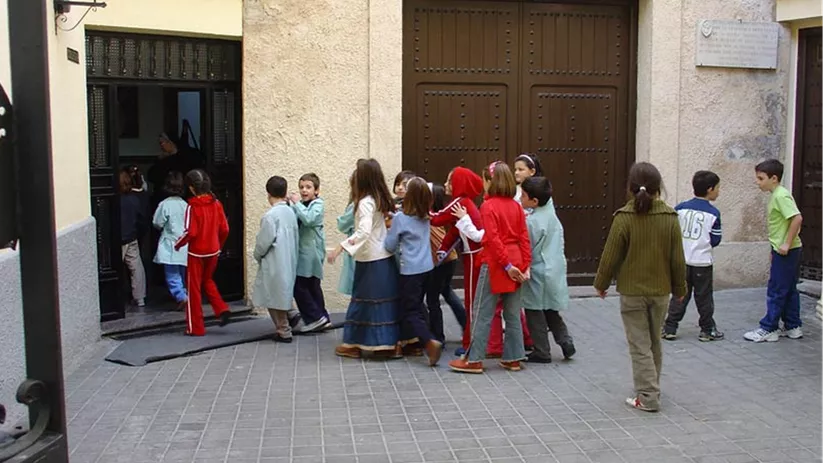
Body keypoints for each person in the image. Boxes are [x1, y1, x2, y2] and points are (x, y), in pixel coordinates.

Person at [593, 162, 687, 412]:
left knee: (639, 344)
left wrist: (601, 284)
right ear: (659, 188)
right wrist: (680, 288)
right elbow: (677, 258)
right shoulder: (669, 218)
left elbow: (610, 256)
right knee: (654, 340)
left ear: (630, 187)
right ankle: (652, 385)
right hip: (661, 291)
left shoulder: (624, 217)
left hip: (632, 292)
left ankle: (647, 396)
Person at [449, 162, 531, 374]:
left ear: (490, 181)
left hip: (496, 263)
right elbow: (524, 237)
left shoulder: (488, 206)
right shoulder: (516, 206)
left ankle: (474, 359)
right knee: (512, 314)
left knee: (482, 311)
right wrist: (524, 265)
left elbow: (492, 240)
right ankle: (513, 357)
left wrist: (506, 264)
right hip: (517, 261)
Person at [328, 159, 403, 359]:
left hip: (370, 259)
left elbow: (363, 231)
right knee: (383, 303)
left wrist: (340, 248)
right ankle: (389, 343)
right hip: (383, 257)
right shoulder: (379, 199)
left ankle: (353, 344)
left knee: (362, 302)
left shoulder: (364, 203)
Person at [744, 159, 804, 343]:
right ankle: (793, 325)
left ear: (774, 178)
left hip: (786, 251)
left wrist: (785, 243)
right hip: (786, 250)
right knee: (788, 288)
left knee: (776, 289)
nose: (758, 182)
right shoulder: (778, 194)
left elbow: (796, 218)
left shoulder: (780, 196)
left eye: (761, 178)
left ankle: (769, 327)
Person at [384, 177, 443, 365]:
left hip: (410, 270)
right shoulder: (425, 215)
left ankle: (429, 342)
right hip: (428, 268)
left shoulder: (401, 219)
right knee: (418, 304)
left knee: (411, 310)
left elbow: (389, 245)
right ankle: (412, 340)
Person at [663, 170, 725, 342]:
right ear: (710, 189)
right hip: (702, 262)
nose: (719, 191)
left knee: (679, 294)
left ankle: (670, 327)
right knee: (703, 296)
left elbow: (671, 231)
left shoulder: (680, 208)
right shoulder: (714, 213)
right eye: (718, 188)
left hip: (682, 261)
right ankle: (707, 330)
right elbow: (715, 239)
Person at [519, 177, 575, 363]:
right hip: (555, 266)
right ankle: (565, 341)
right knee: (551, 309)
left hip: (538, 269)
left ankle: (542, 351)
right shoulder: (550, 213)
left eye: (524, 195)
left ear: (534, 201)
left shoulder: (532, 222)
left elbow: (527, 247)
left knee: (534, 311)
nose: (520, 198)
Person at [430, 167, 485, 355]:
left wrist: (417, 208)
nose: (446, 185)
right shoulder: (466, 203)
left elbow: (436, 219)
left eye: (449, 181)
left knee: (471, 301)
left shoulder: (458, 203)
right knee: (472, 300)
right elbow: (455, 231)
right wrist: (444, 248)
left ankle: (470, 343)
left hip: (473, 257)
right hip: (472, 256)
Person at [174, 169, 231, 336]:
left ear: (191, 188)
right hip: (213, 250)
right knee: (208, 281)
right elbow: (225, 229)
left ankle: (195, 327)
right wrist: (219, 245)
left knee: (194, 290)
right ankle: (221, 308)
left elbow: (190, 232)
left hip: (196, 253)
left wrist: (178, 244)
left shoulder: (192, 206)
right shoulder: (217, 203)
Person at [253, 176, 300, 343]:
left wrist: (257, 254)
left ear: (268, 193)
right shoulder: (290, 212)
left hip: (274, 260)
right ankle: (292, 312)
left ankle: (283, 330)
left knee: (273, 295)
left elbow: (264, 241)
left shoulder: (270, 216)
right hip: (289, 257)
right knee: (283, 290)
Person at [289, 173, 330, 332]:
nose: (304, 190)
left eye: (308, 187)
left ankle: (314, 318)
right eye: (301, 187)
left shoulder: (317, 204)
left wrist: (296, 204)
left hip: (311, 252)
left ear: (316, 190)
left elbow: (309, 219)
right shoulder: (301, 205)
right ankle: (323, 317)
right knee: (312, 285)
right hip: (305, 252)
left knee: (299, 286)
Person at [426, 183, 467, 345]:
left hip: (441, 262)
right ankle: (466, 325)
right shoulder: (438, 215)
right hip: (450, 259)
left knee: (432, 299)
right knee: (447, 292)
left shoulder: (430, 217)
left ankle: (438, 337)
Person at [152, 171, 189, 309]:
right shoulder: (185, 204)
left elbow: (157, 222)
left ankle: (181, 296)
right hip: (184, 243)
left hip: (170, 243)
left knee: (172, 274)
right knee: (182, 272)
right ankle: (184, 294)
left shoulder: (165, 204)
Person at [147, 133, 204, 206]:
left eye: (162, 143)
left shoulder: (184, 157)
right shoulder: (162, 159)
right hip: (163, 196)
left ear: (170, 142)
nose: (161, 146)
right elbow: (151, 176)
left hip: (181, 195)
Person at [120, 167, 149, 308]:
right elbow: (141, 219)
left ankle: (117, 297)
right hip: (131, 237)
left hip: (117, 239)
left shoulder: (114, 201)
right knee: (136, 267)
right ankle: (140, 298)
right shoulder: (134, 199)